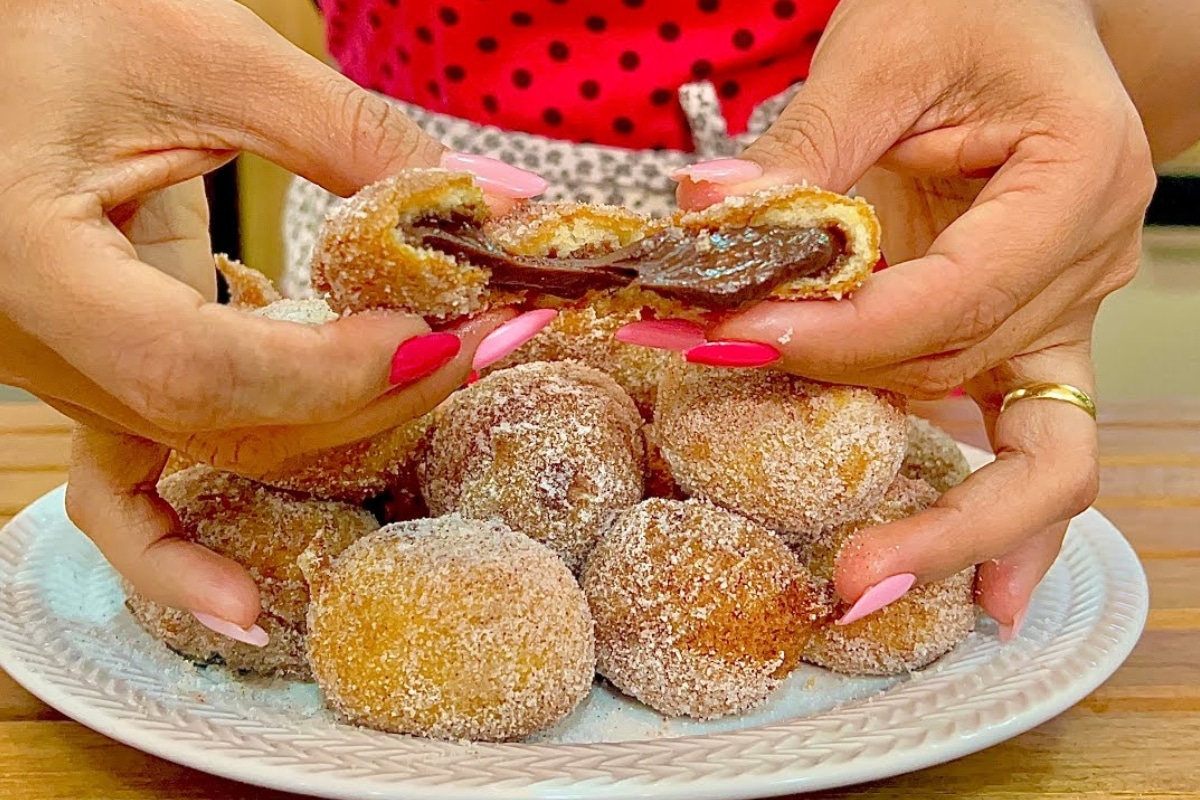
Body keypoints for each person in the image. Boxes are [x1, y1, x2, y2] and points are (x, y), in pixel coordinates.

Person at [0, 0, 1195, 646]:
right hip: (400, 291)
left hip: (856, 277)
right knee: (316, 416)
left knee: (865, 501)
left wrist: (1055, 18)